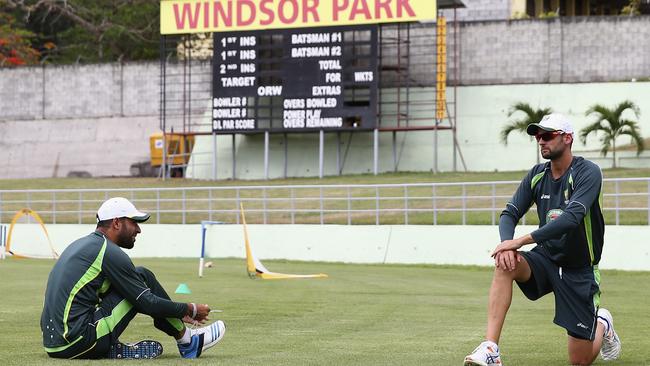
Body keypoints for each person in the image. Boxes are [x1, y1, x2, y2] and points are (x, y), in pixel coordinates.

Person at [464, 113, 621, 366]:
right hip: (545, 258)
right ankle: (491, 349)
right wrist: (507, 244)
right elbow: (509, 213)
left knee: (579, 361)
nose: (541, 141)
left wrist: (520, 241)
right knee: (505, 263)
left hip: (579, 270)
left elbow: (571, 219)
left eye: (547, 135)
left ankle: (602, 322)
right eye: (538, 136)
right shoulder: (537, 174)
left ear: (567, 138)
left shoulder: (588, 172)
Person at [41, 197, 226, 359]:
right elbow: (147, 302)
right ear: (116, 223)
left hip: (53, 344)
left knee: (138, 280)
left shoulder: (82, 245)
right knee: (142, 278)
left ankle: (110, 346)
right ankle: (188, 341)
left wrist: (174, 311)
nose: (138, 229)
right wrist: (189, 309)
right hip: (80, 341)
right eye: (134, 222)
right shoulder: (109, 251)